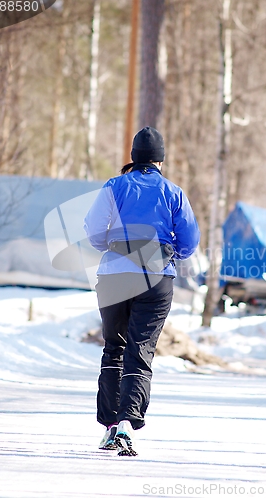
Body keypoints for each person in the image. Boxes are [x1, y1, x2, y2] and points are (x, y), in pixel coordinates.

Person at [83, 126, 200, 456]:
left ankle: (109, 427)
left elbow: (93, 231)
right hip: (156, 276)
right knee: (141, 349)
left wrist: (113, 244)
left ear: (133, 157)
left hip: (114, 275)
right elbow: (190, 243)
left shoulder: (114, 186)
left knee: (113, 348)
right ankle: (126, 424)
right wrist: (168, 249)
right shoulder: (173, 192)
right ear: (161, 160)